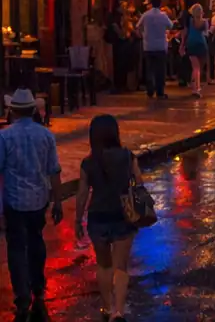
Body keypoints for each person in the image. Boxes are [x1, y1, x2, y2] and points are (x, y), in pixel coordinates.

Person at [0, 88, 62, 321]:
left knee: (16, 249)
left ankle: (22, 298)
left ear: (13, 111)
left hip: (14, 202)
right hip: (38, 201)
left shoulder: (5, 137)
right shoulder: (45, 136)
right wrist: (57, 202)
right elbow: (54, 171)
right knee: (36, 242)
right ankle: (38, 290)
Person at [76, 115, 140, 322]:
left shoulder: (88, 162)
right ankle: (118, 311)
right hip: (123, 215)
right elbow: (139, 181)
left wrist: (78, 220)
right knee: (121, 266)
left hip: (98, 217)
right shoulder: (127, 157)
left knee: (104, 265)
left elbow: (82, 193)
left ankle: (106, 307)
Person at [138, 0, 173, 100]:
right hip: (160, 46)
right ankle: (160, 92)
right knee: (160, 70)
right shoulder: (163, 15)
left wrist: (143, 34)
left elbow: (138, 26)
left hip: (148, 46)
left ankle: (150, 90)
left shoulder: (146, 15)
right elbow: (170, 25)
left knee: (150, 69)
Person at [182, 4, 209, 98]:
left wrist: (182, 45)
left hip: (191, 43)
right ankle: (196, 86)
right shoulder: (205, 22)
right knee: (199, 67)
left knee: (195, 67)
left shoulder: (190, 21)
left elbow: (185, 33)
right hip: (202, 44)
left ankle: (195, 87)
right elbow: (206, 33)